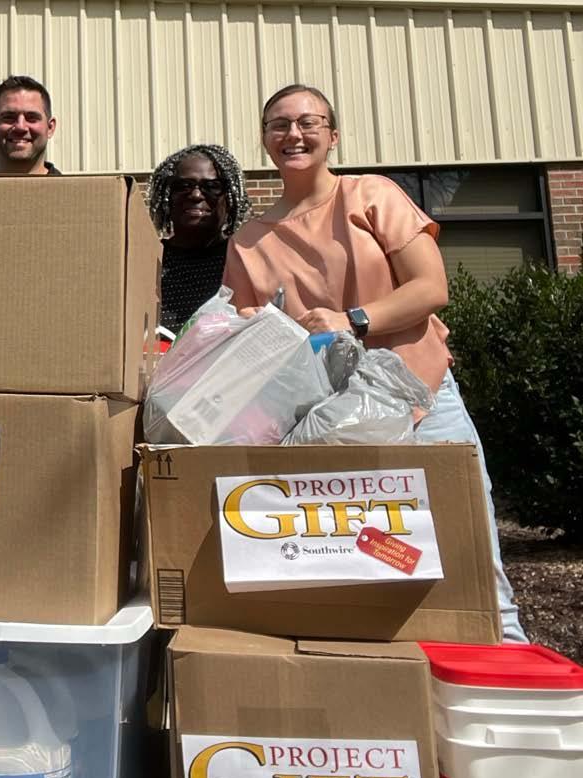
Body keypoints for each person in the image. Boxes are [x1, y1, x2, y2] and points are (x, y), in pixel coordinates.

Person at [222, 83, 527, 642]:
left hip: (421, 397)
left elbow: (432, 287)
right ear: (265, 141)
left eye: (308, 122)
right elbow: (248, 341)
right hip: (333, 423)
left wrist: (350, 319)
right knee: (373, 564)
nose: (293, 134)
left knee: (472, 554)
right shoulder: (248, 241)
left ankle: (509, 677)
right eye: (278, 125)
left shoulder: (371, 195)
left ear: (332, 136)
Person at [146, 144, 250, 330]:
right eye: (183, 186)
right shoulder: (145, 263)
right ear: (166, 196)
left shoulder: (246, 261)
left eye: (212, 186)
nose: (195, 195)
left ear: (231, 197)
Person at [0, 76, 61, 175]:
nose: (20, 127)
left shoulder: (74, 190)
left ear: (50, 128)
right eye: (9, 117)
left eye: (32, 118)